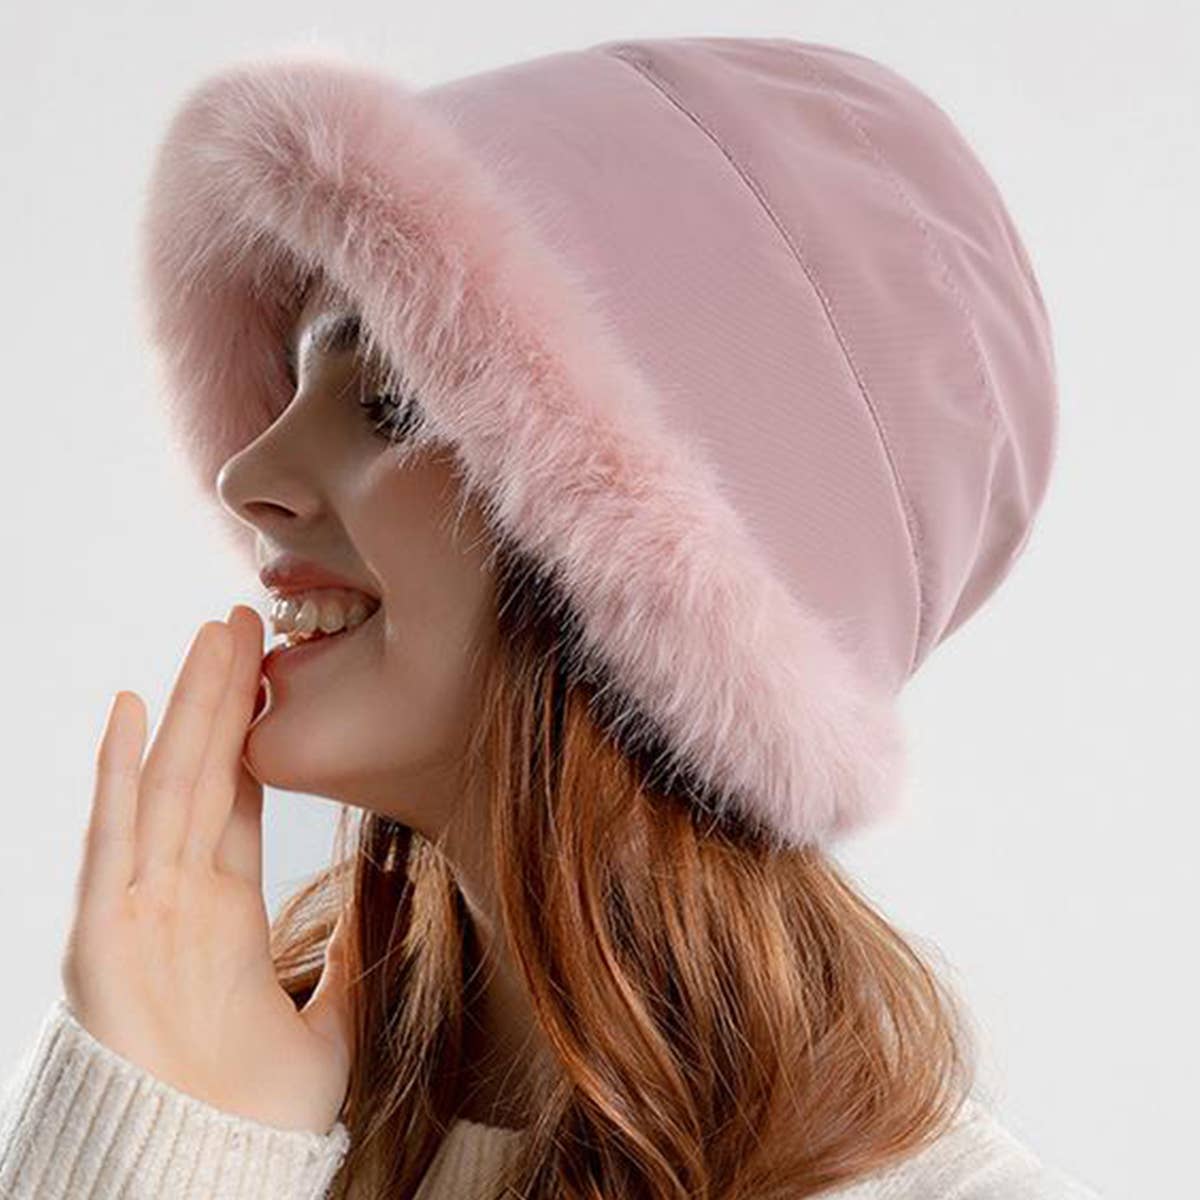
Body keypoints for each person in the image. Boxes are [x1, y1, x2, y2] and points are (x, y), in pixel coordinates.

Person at [0, 34, 1103, 1200]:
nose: (246, 474)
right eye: (297, 380)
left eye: (395, 401)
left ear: (660, 584)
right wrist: (171, 1134)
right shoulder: (233, 1064)